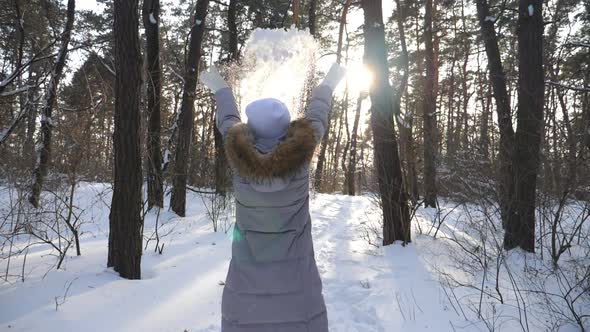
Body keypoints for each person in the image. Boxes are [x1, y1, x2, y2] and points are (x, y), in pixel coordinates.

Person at [199, 63, 346, 332]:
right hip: (298, 293)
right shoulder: (300, 160)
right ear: (286, 128)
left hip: (246, 295)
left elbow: (228, 122)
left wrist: (220, 89)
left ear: (251, 131)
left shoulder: (240, 161)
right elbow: (317, 116)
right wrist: (329, 83)